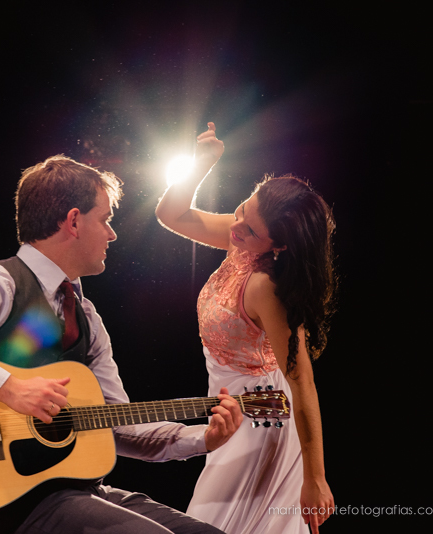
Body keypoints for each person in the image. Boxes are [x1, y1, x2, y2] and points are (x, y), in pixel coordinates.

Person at [0, 154, 244, 534]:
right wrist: (8, 388)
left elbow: (116, 424)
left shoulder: (88, 317)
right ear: (74, 221)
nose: (111, 234)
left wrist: (202, 438)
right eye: (105, 219)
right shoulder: (0, 283)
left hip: (79, 491)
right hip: (11, 498)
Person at [155, 123, 336, 534]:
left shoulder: (267, 288)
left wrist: (315, 478)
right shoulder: (242, 237)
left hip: (262, 415)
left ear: (280, 246)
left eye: (250, 230)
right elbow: (171, 214)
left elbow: (302, 382)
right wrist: (202, 164)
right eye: (241, 210)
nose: (235, 228)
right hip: (231, 409)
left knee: (208, 525)